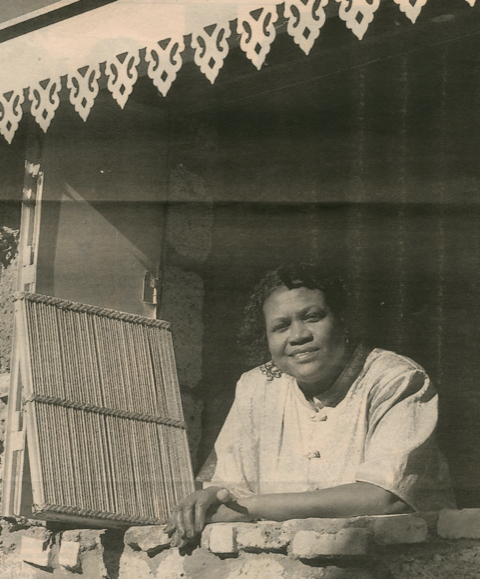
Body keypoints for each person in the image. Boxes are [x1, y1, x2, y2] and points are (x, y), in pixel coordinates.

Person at [165, 263, 455, 547]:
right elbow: (231, 485)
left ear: (343, 321)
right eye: (280, 326)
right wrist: (211, 497)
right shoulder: (256, 387)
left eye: (312, 317)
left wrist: (251, 508)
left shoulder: (397, 379)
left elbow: (385, 497)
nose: (298, 335)